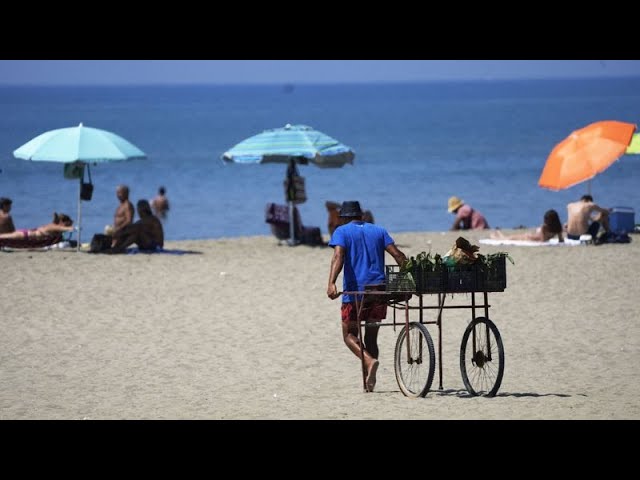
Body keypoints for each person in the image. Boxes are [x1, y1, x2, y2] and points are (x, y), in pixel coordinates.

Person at [327, 201, 407, 393]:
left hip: (356, 294)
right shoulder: (379, 230)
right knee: (371, 338)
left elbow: (338, 256)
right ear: (361, 215)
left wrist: (331, 282)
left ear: (344, 217)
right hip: (379, 291)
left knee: (349, 335)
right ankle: (368, 383)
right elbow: (397, 255)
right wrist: (409, 275)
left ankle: (370, 362)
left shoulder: (342, 231)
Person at [491, 209, 564, 242]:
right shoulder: (545, 227)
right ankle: (496, 234)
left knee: (508, 238)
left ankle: (498, 233)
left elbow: (560, 240)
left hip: (531, 237)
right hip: (529, 237)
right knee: (507, 239)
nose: (545, 221)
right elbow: (543, 240)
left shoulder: (555, 227)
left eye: (546, 219)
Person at [0, 212, 74, 240]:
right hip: (26, 235)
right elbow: (64, 228)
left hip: (27, 234)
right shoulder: (55, 226)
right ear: (61, 222)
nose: (67, 225)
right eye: (66, 224)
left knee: (3, 236)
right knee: (2, 237)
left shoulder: (54, 225)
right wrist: (73, 228)